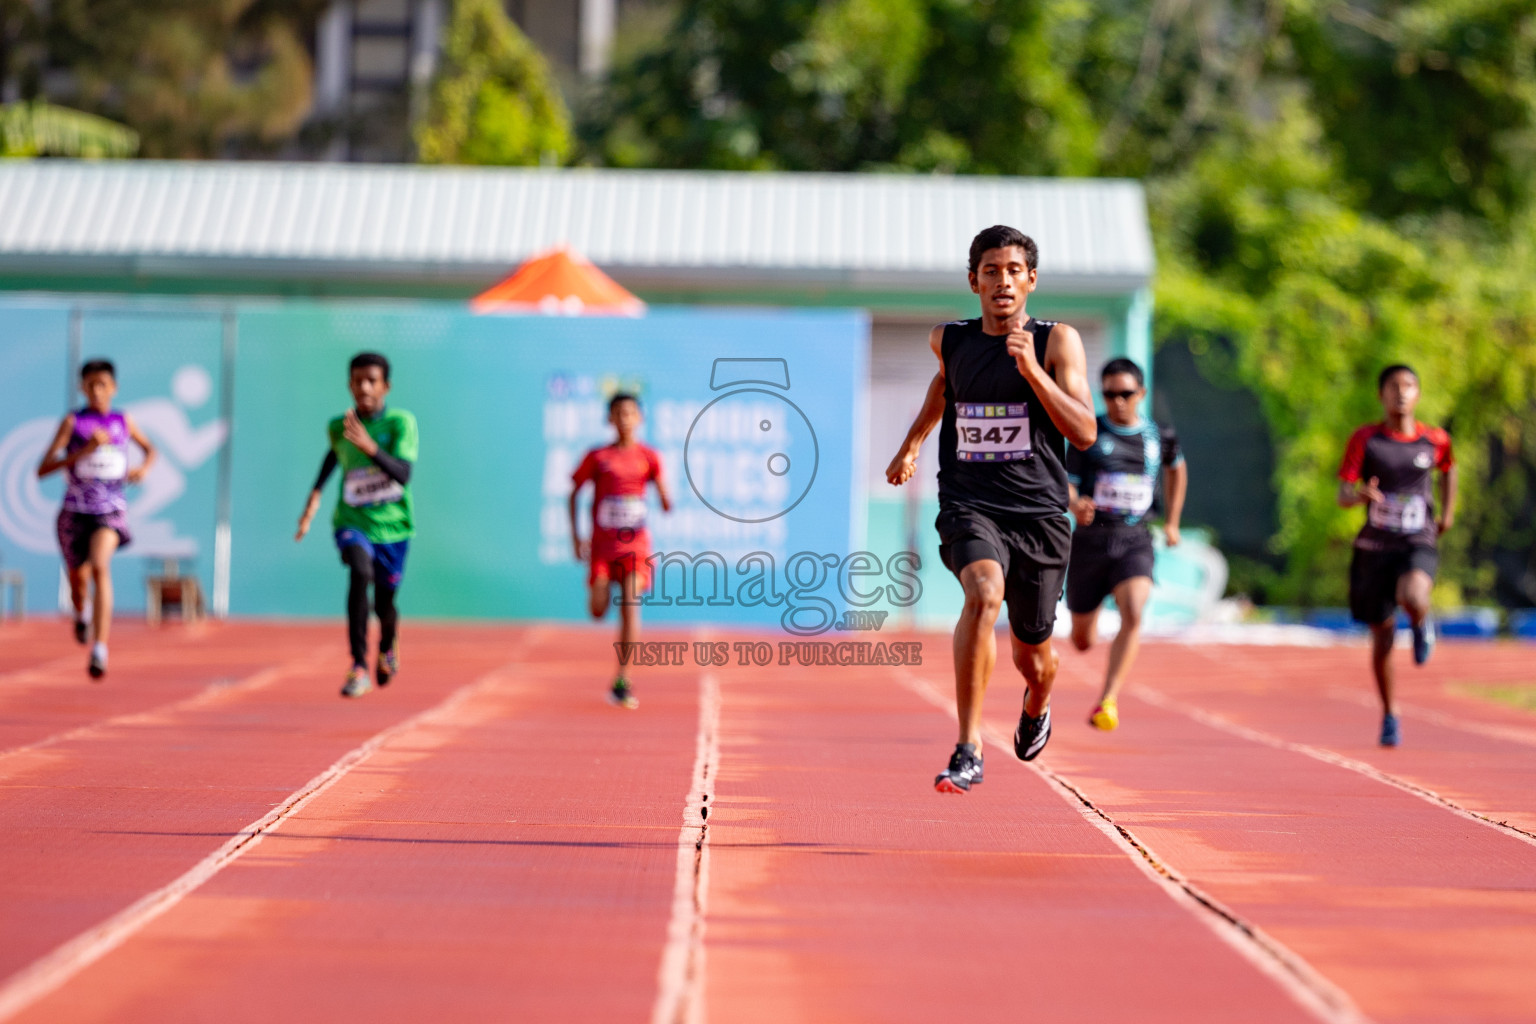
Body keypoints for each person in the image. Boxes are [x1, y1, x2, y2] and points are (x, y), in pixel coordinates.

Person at [887, 225, 1096, 793]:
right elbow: (944, 388)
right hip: (970, 502)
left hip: (1040, 516)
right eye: (990, 270)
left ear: (1030, 280)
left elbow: (1083, 432)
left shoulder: (1057, 343)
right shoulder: (948, 340)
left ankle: (1039, 699)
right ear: (973, 280)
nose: (1001, 281)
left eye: (1012, 271)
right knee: (982, 594)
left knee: (1034, 655)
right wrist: (913, 443)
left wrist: (1032, 373)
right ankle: (969, 746)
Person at [1064, 358, 1187, 730]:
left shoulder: (1158, 436)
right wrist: (1075, 503)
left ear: (1141, 394)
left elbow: (1177, 469)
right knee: (1082, 641)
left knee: (1134, 608)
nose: (1117, 401)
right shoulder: (1088, 433)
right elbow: (1065, 481)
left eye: (1125, 394)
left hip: (1135, 538)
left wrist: (1173, 522)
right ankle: (1090, 617)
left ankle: (1108, 699)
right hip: (1090, 542)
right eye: (1109, 394)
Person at [1337, 364, 1455, 747]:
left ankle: (1421, 622)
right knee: (1382, 635)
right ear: (1381, 395)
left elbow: (1449, 469)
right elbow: (1343, 493)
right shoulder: (1366, 440)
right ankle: (1390, 714)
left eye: (1408, 386)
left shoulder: (1435, 439)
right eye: (1392, 387)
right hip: (1375, 547)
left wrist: (1448, 513)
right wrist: (1359, 496)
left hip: (1416, 540)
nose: (1400, 393)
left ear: (1418, 394)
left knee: (1413, 595)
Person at [296, 352, 418, 699]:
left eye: (372, 381)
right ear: (349, 384)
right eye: (357, 380)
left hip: (394, 528)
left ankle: (388, 645)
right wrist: (315, 496)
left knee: (385, 604)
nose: (364, 387)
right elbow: (334, 454)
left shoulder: (400, 424)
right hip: (352, 521)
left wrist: (370, 447)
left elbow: (404, 474)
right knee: (359, 573)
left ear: (386, 387)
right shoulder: (340, 426)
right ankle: (358, 665)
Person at [38, 359, 157, 679]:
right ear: (82, 387)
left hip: (110, 510)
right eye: (90, 385)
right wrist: (83, 451)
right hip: (75, 512)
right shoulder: (73, 422)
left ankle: (100, 649)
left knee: (101, 567)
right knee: (78, 581)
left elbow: (150, 449)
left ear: (113, 388)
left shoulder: (122, 420)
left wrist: (143, 470)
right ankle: (81, 612)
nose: (96, 391)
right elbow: (42, 468)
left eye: (102, 385)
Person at [570, 393, 672, 709]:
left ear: (639, 418)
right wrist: (576, 537)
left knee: (631, 602)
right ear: (610, 420)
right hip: (602, 548)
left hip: (636, 548)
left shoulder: (650, 457)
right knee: (598, 612)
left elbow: (664, 494)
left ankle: (622, 678)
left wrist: (667, 499)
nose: (625, 419)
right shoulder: (598, 457)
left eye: (631, 413)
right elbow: (572, 494)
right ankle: (604, 591)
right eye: (618, 414)